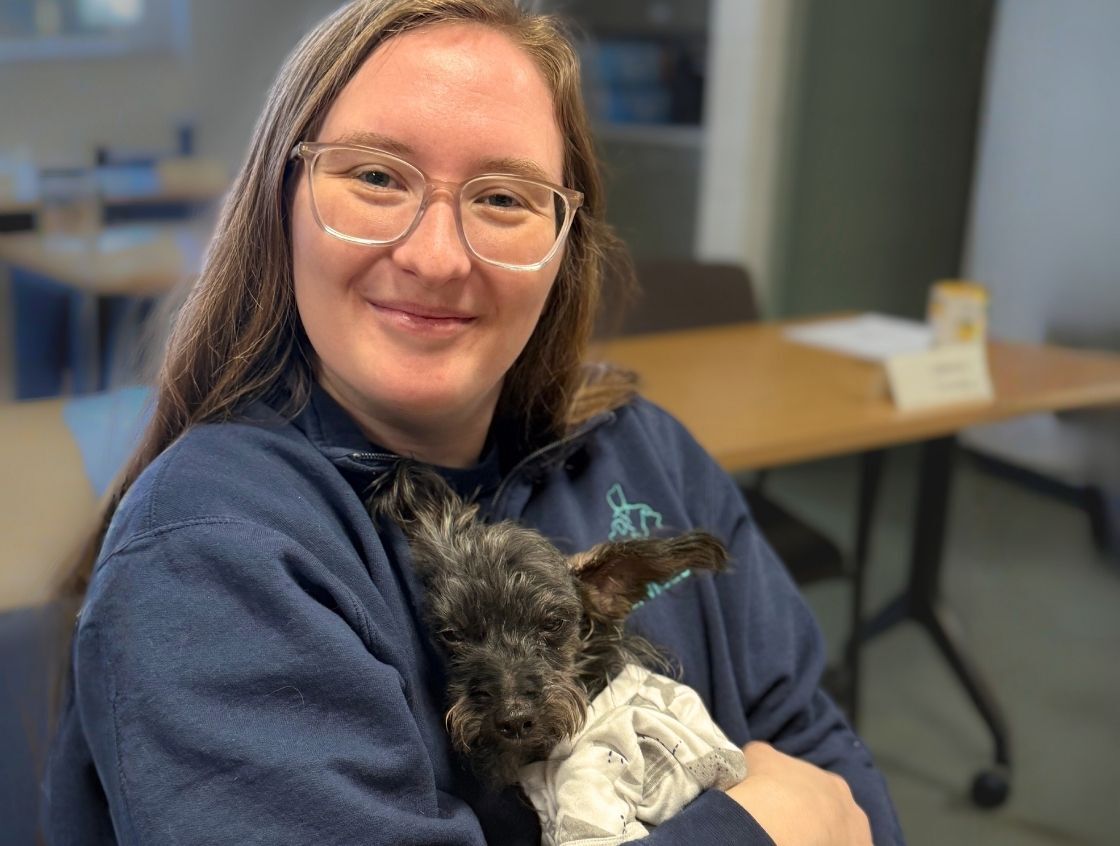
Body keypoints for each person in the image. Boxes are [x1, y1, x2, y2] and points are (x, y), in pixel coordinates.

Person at [44, 1, 904, 843]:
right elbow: (809, 810)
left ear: (565, 244)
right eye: (376, 176)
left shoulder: (648, 452)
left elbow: (829, 762)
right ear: (282, 204)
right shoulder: (215, 556)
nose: (437, 257)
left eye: (503, 198)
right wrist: (758, 832)